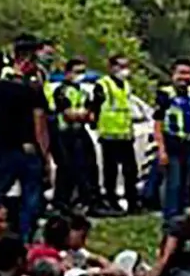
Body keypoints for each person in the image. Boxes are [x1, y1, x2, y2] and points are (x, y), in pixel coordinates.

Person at [0, 39, 51, 240]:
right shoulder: (33, 91)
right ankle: (25, 238)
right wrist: (46, 157)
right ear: (27, 62)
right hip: (27, 151)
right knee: (31, 199)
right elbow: (40, 126)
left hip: (1, 149)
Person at [51, 56, 102, 213]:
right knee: (67, 169)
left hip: (80, 131)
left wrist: (87, 113)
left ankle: (89, 200)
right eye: (77, 72)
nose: (80, 75)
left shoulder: (83, 91)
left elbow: (91, 115)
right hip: (65, 133)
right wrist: (84, 114)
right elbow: (68, 114)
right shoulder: (62, 90)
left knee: (89, 166)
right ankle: (62, 202)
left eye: (83, 72)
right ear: (67, 73)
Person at [94, 54, 139, 214]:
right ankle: (112, 202)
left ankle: (132, 203)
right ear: (111, 67)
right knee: (111, 172)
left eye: (126, 66)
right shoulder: (103, 85)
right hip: (109, 135)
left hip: (125, 135)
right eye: (120, 66)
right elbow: (96, 108)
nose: (124, 70)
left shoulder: (126, 85)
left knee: (130, 171)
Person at [154, 58, 190, 218]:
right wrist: (161, 149)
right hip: (171, 142)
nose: (184, 77)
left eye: (187, 73)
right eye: (181, 73)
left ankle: (183, 214)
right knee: (174, 182)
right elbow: (157, 123)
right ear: (173, 74)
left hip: (189, 143)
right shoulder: (165, 94)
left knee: (187, 182)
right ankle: (171, 216)